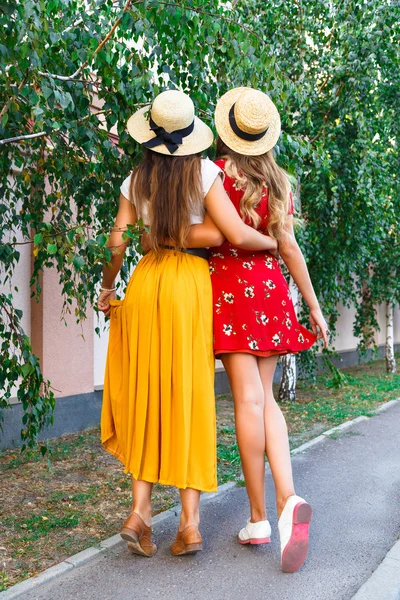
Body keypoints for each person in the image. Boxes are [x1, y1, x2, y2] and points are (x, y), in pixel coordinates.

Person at [97, 89, 278, 558]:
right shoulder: (204, 172)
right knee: (189, 396)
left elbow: (118, 242)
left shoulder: (136, 178)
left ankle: (139, 514)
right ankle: (190, 525)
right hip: (190, 289)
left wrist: (107, 287)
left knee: (148, 394)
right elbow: (229, 234)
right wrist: (275, 244)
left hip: (146, 283)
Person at [187, 87, 329, 572]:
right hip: (270, 290)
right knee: (265, 399)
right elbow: (289, 248)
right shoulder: (281, 181)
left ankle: (259, 517)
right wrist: (313, 306)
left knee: (246, 401)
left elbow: (206, 235)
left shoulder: (213, 174)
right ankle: (288, 499)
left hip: (228, 290)